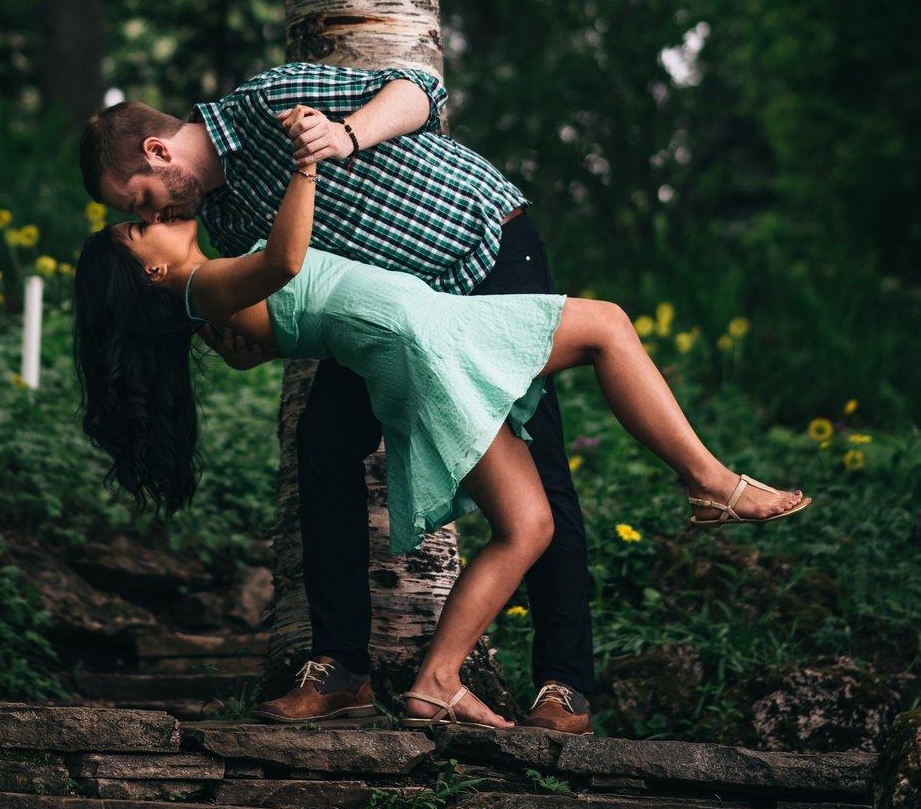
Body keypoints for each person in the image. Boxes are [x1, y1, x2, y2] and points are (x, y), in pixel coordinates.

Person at [73, 155, 809, 731]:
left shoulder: (219, 298)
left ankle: (436, 680)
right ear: (152, 272)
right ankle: (709, 481)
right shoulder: (208, 288)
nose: (156, 213)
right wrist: (305, 166)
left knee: (528, 523)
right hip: (429, 344)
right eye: (139, 227)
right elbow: (289, 262)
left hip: (426, 336)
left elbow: (283, 317)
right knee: (606, 328)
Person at [79, 62, 597, 731]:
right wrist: (252, 343)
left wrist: (342, 137)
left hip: (483, 252)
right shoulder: (224, 222)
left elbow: (420, 89)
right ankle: (340, 669)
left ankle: (564, 684)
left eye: (139, 199)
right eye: (136, 215)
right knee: (322, 443)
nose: (149, 212)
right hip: (399, 318)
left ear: (157, 151)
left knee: (539, 454)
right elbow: (305, 293)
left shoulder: (267, 103)